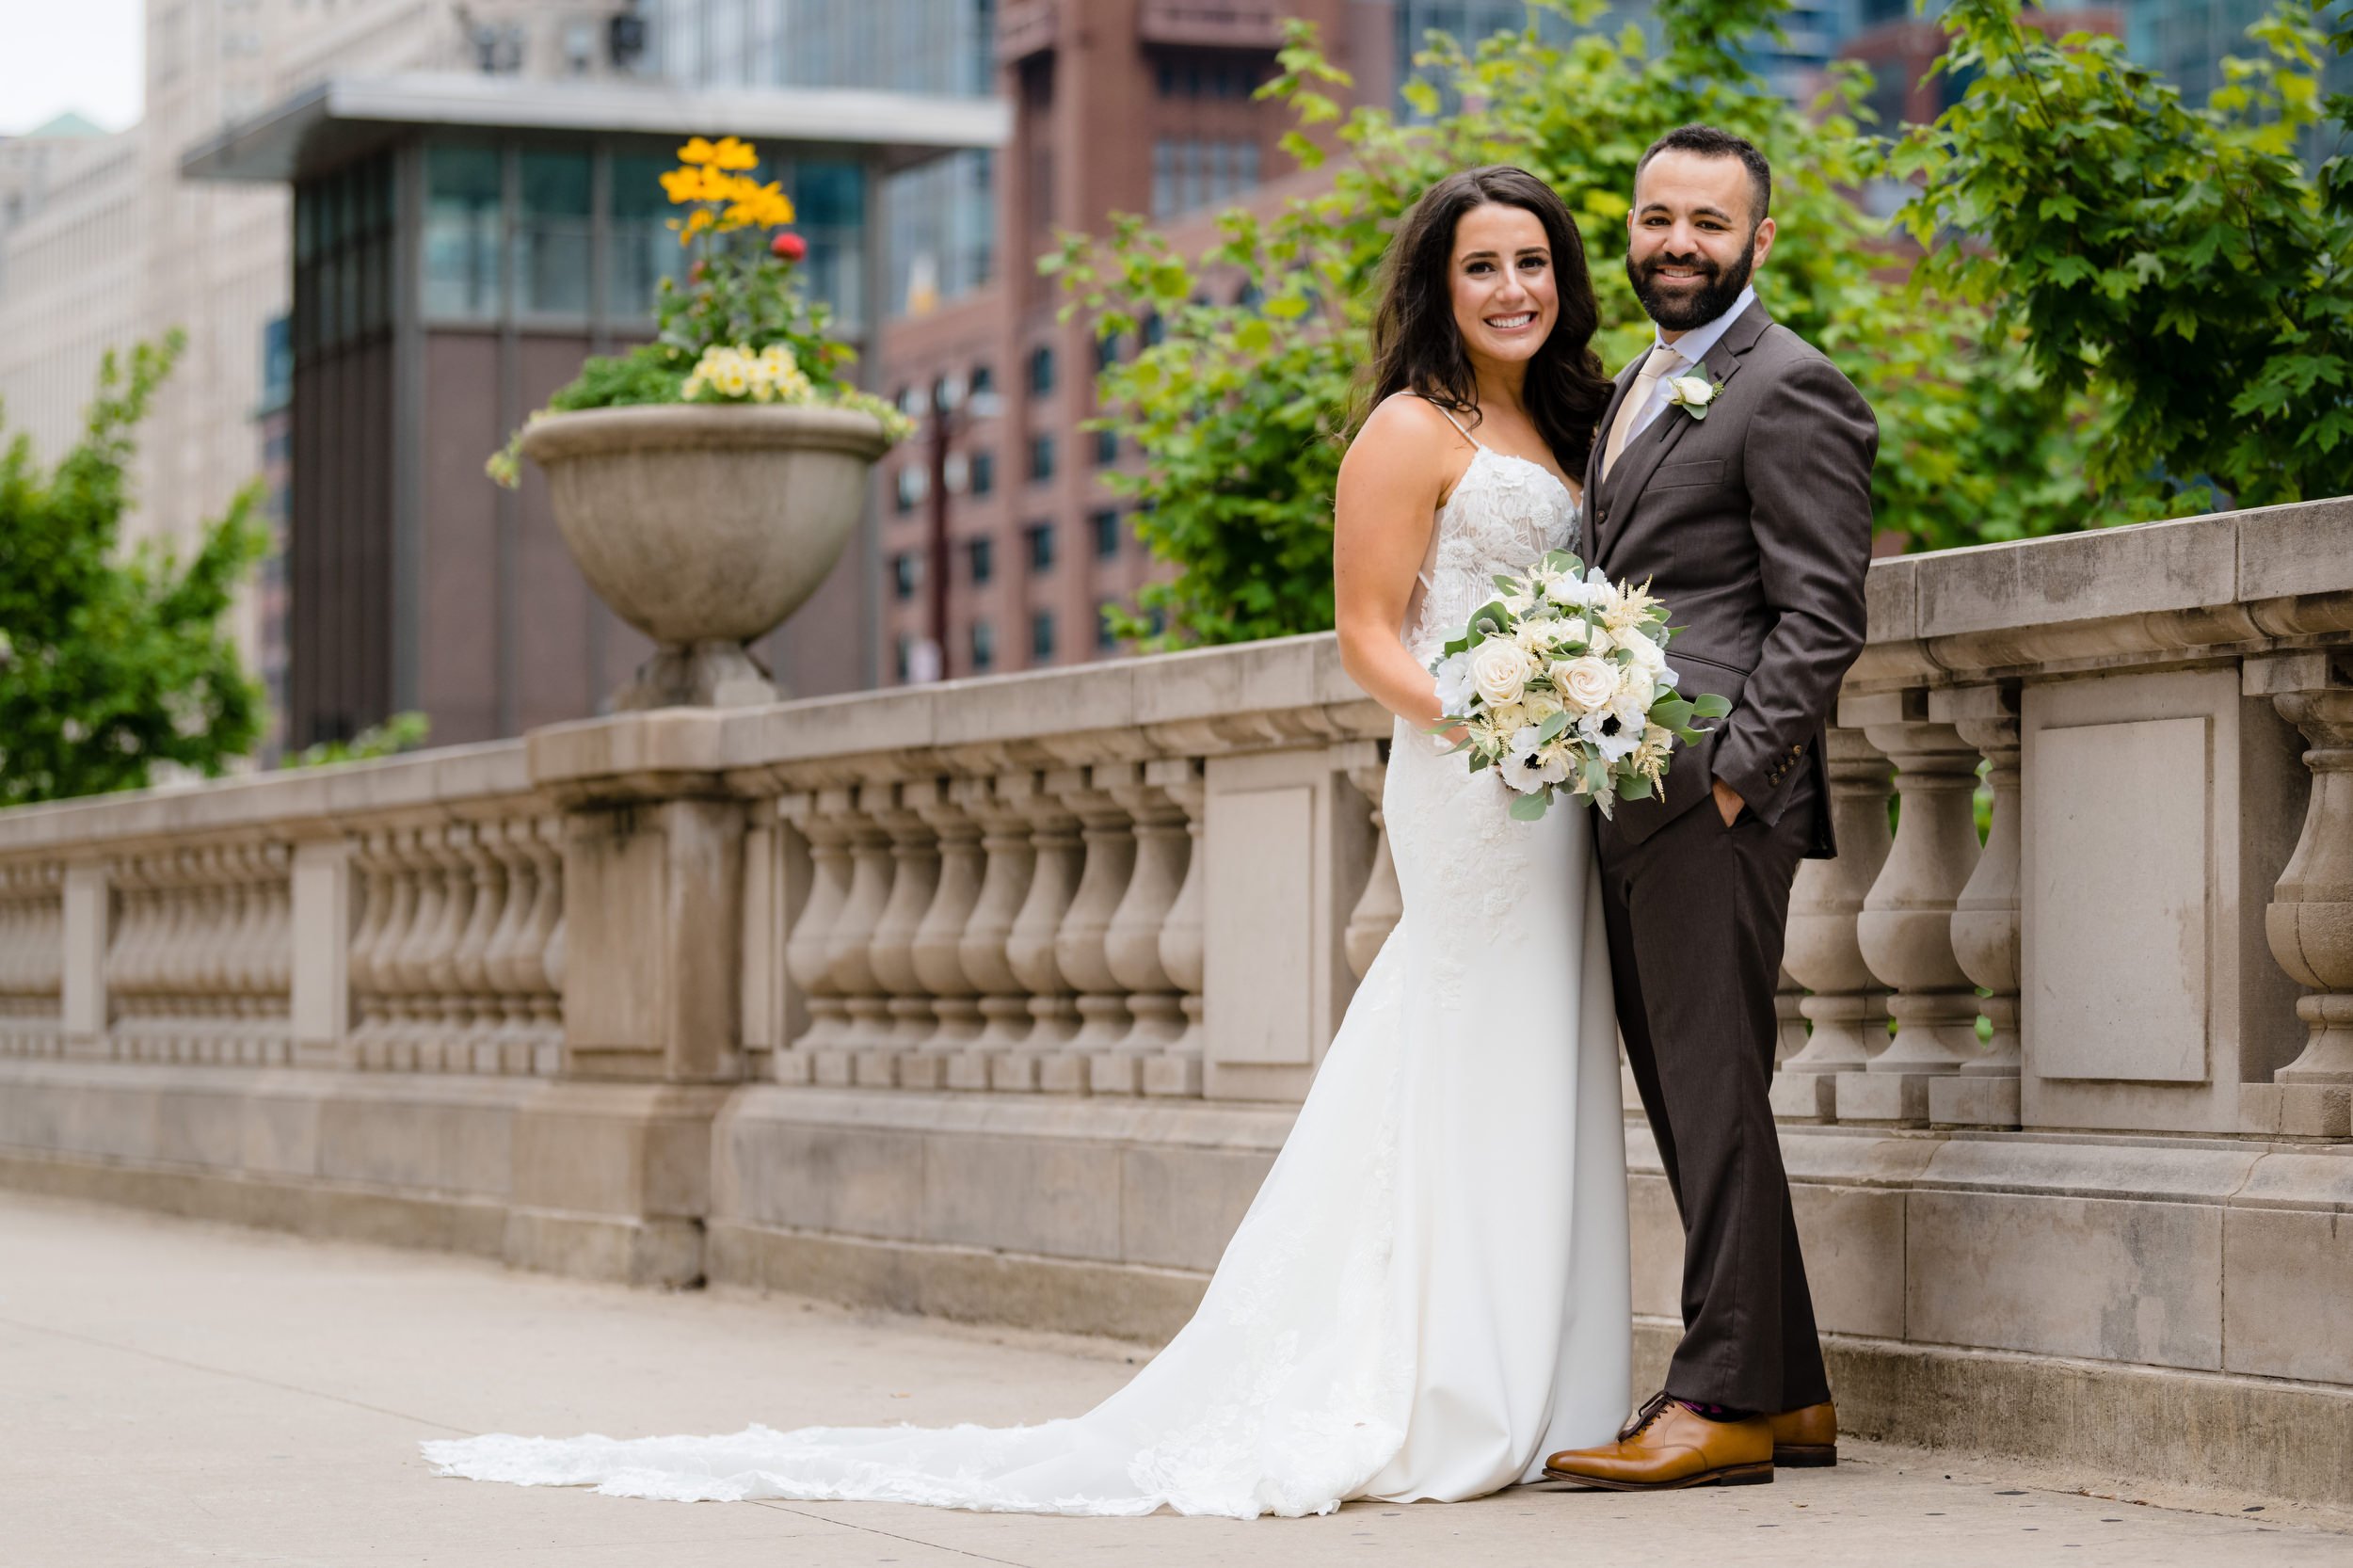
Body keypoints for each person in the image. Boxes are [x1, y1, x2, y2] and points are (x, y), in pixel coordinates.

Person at [422, 164, 1634, 1518]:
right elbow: (1366, 637)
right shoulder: (1410, 431)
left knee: (1543, 1046)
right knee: (1461, 1038)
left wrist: (1580, 711)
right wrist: (1485, 720)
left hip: (1560, 783)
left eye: (1534, 262)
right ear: (1438, 284)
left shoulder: (1577, 422)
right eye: (1483, 265)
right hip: (1471, 780)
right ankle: (1444, 1382)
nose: (1513, 288)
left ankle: (1542, 1377)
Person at [1540, 124, 1878, 1493]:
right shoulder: (1642, 377)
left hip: (1713, 804)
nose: (1677, 242)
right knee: (1699, 1095)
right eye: (1656, 216)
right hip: (1631, 794)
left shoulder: (1791, 386)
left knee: (1715, 1092)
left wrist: (1736, 772)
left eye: (1709, 223)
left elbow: (1822, 610)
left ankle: (1720, 1396)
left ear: (1760, 240)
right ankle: (1788, 1389)